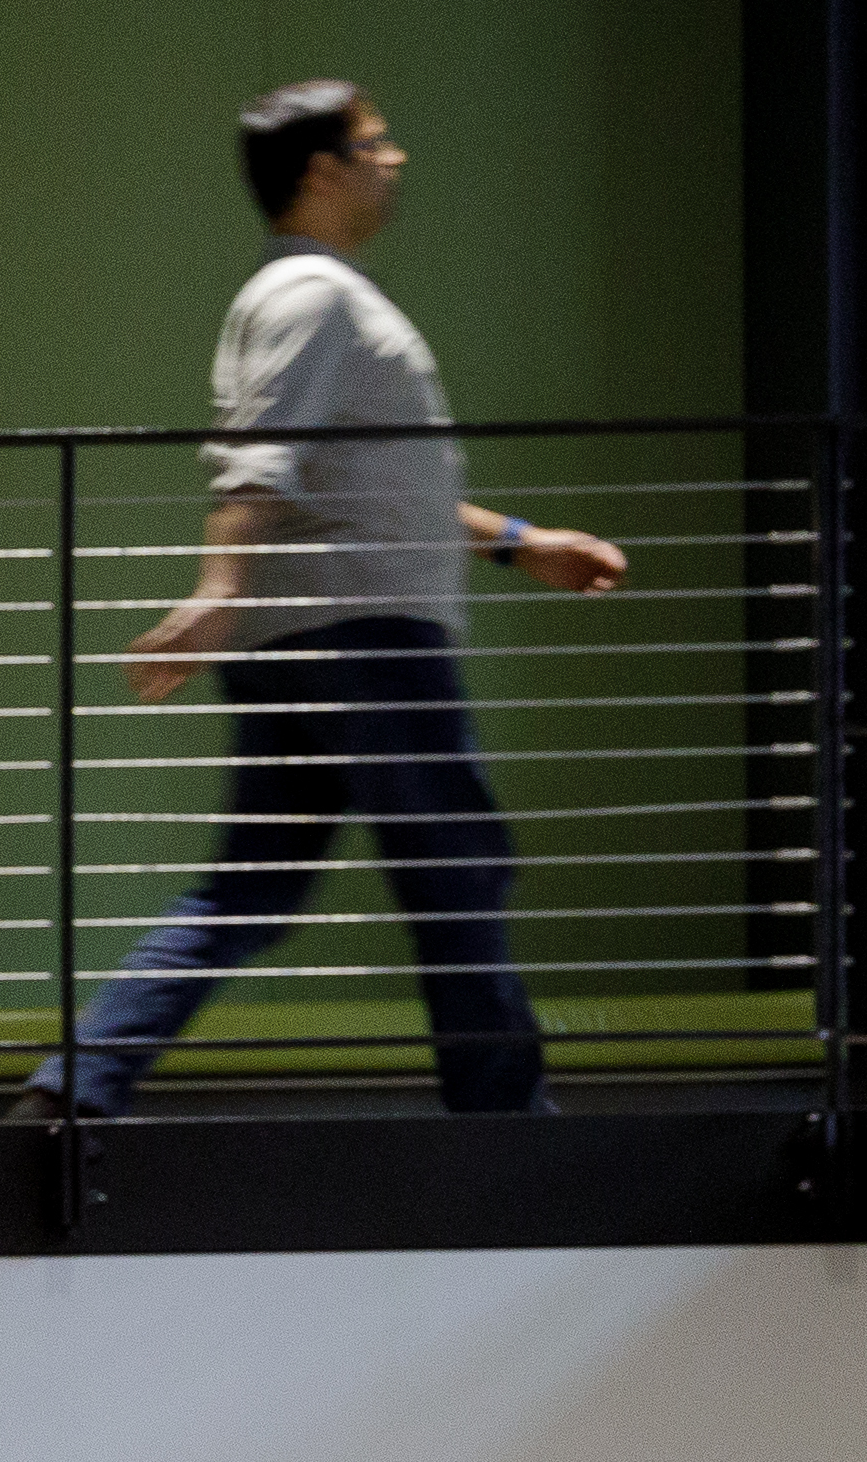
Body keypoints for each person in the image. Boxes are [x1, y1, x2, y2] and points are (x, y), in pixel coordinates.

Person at [31, 83, 633, 1123]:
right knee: (457, 863)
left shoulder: (316, 297)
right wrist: (216, 589)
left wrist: (522, 545)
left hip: (313, 632)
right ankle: (505, 1128)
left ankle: (76, 1088)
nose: (393, 159)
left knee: (252, 890)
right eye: (373, 142)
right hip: (362, 634)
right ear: (320, 169)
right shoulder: (314, 296)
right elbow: (259, 456)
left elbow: (378, 484)